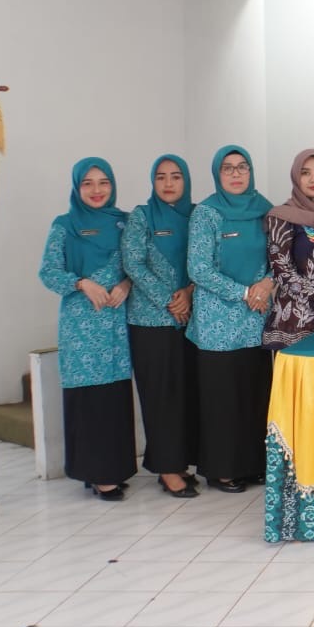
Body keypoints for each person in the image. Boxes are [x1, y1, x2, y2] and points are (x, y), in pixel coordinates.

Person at [38, 157, 135, 501]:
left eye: (103, 182)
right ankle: (96, 473)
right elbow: (48, 272)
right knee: (88, 397)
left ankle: (113, 468)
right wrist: (81, 283)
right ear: (77, 187)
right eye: (88, 183)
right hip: (81, 325)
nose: (96, 190)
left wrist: (126, 284)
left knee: (114, 395)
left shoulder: (125, 222)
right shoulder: (64, 225)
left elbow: (137, 264)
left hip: (116, 324)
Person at [185, 145, 274, 493]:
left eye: (242, 167)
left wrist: (267, 284)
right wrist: (244, 292)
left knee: (253, 393)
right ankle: (222, 469)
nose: (236, 174)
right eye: (228, 168)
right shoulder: (206, 213)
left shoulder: (264, 209)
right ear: (217, 174)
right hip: (216, 323)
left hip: (255, 319)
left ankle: (252, 463)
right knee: (222, 397)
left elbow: (279, 257)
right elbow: (199, 268)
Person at [121, 154, 199, 499]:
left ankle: (176, 462)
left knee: (183, 395)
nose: (168, 184)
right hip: (151, 321)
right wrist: (170, 300)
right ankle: (168, 469)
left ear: (186, 181)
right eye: (161, 177)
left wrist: (189, 293)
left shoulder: (197, 214)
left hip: (189, 319)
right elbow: (133, 264)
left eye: (176, 176)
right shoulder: (142, 216)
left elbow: (206, 260)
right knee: (159, 396)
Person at [264, 149, 314, 349]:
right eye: (305, 173)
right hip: (295, 322)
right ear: (295, 177)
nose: (313, 179)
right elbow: (281, 269)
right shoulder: (282, 216)